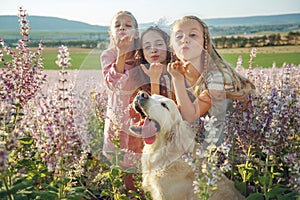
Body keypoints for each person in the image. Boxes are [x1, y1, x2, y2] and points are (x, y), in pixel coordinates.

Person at [167, 15, 255, 146]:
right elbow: (179, 116)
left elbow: (190, 116)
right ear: (173, 47)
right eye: (178, 36)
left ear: (205, 43)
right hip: (206, 142)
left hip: (231, 148)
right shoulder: (181, 72)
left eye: (192, 35)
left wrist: (177, 79)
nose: (185, 39)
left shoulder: (218, 76)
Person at [100, 10, 149, 194]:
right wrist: (121, 53)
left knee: (143, 149)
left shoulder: (140, 54)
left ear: (136, 33)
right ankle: (130, 192)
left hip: (140, 111)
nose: (122, 28)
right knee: (122, 153)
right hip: (118, 112)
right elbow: (112, 83)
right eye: (118, 25)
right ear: (111, 33)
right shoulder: (108, 54)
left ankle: (146, 189)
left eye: (128, 25)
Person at [138, 26, 175, 99]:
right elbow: (153, 109)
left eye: (159, 44)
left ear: (167, 47)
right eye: (147, 47)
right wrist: (154, 79)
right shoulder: (140, 80)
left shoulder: (178, 73)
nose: (153, 50)